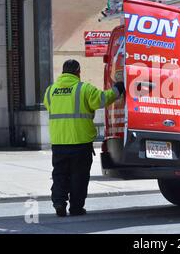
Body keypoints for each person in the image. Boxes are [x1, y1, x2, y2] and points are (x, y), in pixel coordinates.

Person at [43, 59, 125, 217]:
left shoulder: (50, 91)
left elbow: (49, 106)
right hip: (80, 142)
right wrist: (118, 89)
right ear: (78, 72)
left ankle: (59, 202)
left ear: (63, 72)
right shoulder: (84, 89)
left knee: (59, 174)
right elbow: (102, 99)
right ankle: (76, 208)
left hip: (59, 142)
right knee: (78, 177)